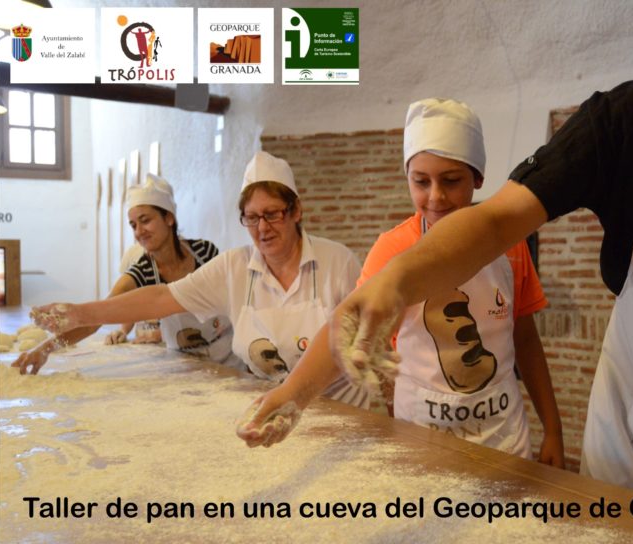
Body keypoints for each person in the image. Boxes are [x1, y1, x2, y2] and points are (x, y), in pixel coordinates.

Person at [320, 0, 633, 528]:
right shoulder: (631, 119)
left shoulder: (513, 260)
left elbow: (524, 337)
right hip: (629, 448)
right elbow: (496, 220)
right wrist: (392, 281)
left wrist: (549, 428)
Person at [239, 99, 565, 468]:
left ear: (478, 178)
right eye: (421, 182)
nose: (436, 197)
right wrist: (291, 394)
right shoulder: (393, 249)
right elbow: (345, 329)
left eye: (452, 180)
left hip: (502, 439)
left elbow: (523, 336)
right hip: (421, 438)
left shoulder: (510, 242)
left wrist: (552, 429)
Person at [29, 151, 371, 408]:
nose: (262, 229)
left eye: (272, 215)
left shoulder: (337, 262)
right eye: (251, 218)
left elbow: (364, 341)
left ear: (296, 211)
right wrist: (80, 313)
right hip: (273, 407)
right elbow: (161, 297)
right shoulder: (233, 267)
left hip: (344, 411)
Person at [13, 174, 235, 374]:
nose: (139, 232)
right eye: (133, 225)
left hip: (231, 360)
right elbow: (95, 319)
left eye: (145, 220)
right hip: (189, 367)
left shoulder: (205, 253)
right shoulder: (142, 273)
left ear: (169, 218)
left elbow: (234, 298)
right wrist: (45, 349)